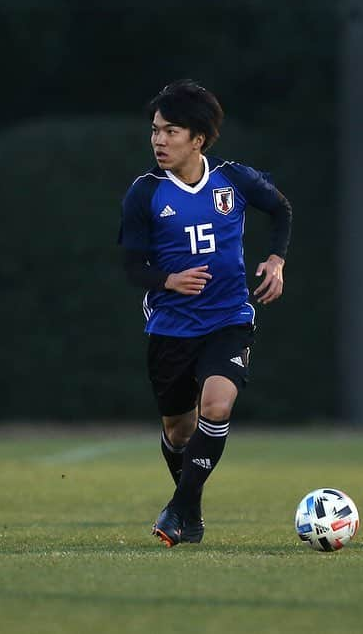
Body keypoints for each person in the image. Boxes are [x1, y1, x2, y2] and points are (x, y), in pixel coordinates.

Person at [118, 80, 292, 547]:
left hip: (228, 320)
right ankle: (189, 511)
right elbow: (132, 267)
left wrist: (276, 260)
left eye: (170, 131)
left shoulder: (233, 179)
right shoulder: (144, 193)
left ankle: (176, 511)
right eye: (155, 130)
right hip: (170, 328)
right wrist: (168, 280)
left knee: (217, 406)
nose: (158, 140)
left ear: (198, 139)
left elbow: (281, 211)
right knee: (178, 431)